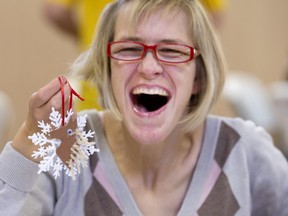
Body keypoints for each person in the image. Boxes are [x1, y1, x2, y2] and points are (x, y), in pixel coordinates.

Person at [1, 0, 288, 215]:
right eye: (128, 49)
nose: (149, 67)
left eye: (172, 51)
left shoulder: (245, 154)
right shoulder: (66, 151)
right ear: (106, 68)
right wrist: (28, 141)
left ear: (198, 77)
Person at [43, 0, 227, 112]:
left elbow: (56, 11)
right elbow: (213, 18)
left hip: (105, 77)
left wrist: (91, 37)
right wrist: (173, 49)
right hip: (103, 83)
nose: (148, 67)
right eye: (130, 47)